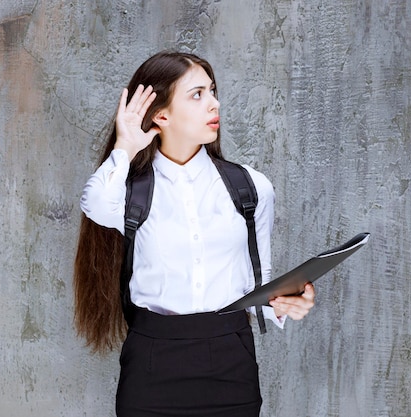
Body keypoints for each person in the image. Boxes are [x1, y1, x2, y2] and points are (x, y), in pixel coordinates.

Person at [74, 51, 315, 417]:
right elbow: (94, 203)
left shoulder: (251, 187)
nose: (214, 103)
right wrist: (125, 144)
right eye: (197, 94)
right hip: (153, 362)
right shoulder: (131, 191)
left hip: (231, 362)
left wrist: (285, 301)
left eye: (213, 91)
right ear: (161, 115)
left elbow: (257, 281)